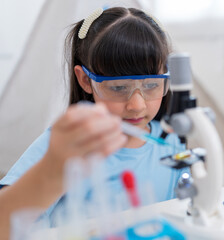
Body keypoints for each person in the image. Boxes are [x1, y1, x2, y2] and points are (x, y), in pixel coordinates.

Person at [0, 7, 188, 239]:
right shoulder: (63, 146)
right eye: (119, 87)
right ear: (86, 80)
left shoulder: (171, 141)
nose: (137, 105)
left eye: (151, 85)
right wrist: (54, 167)